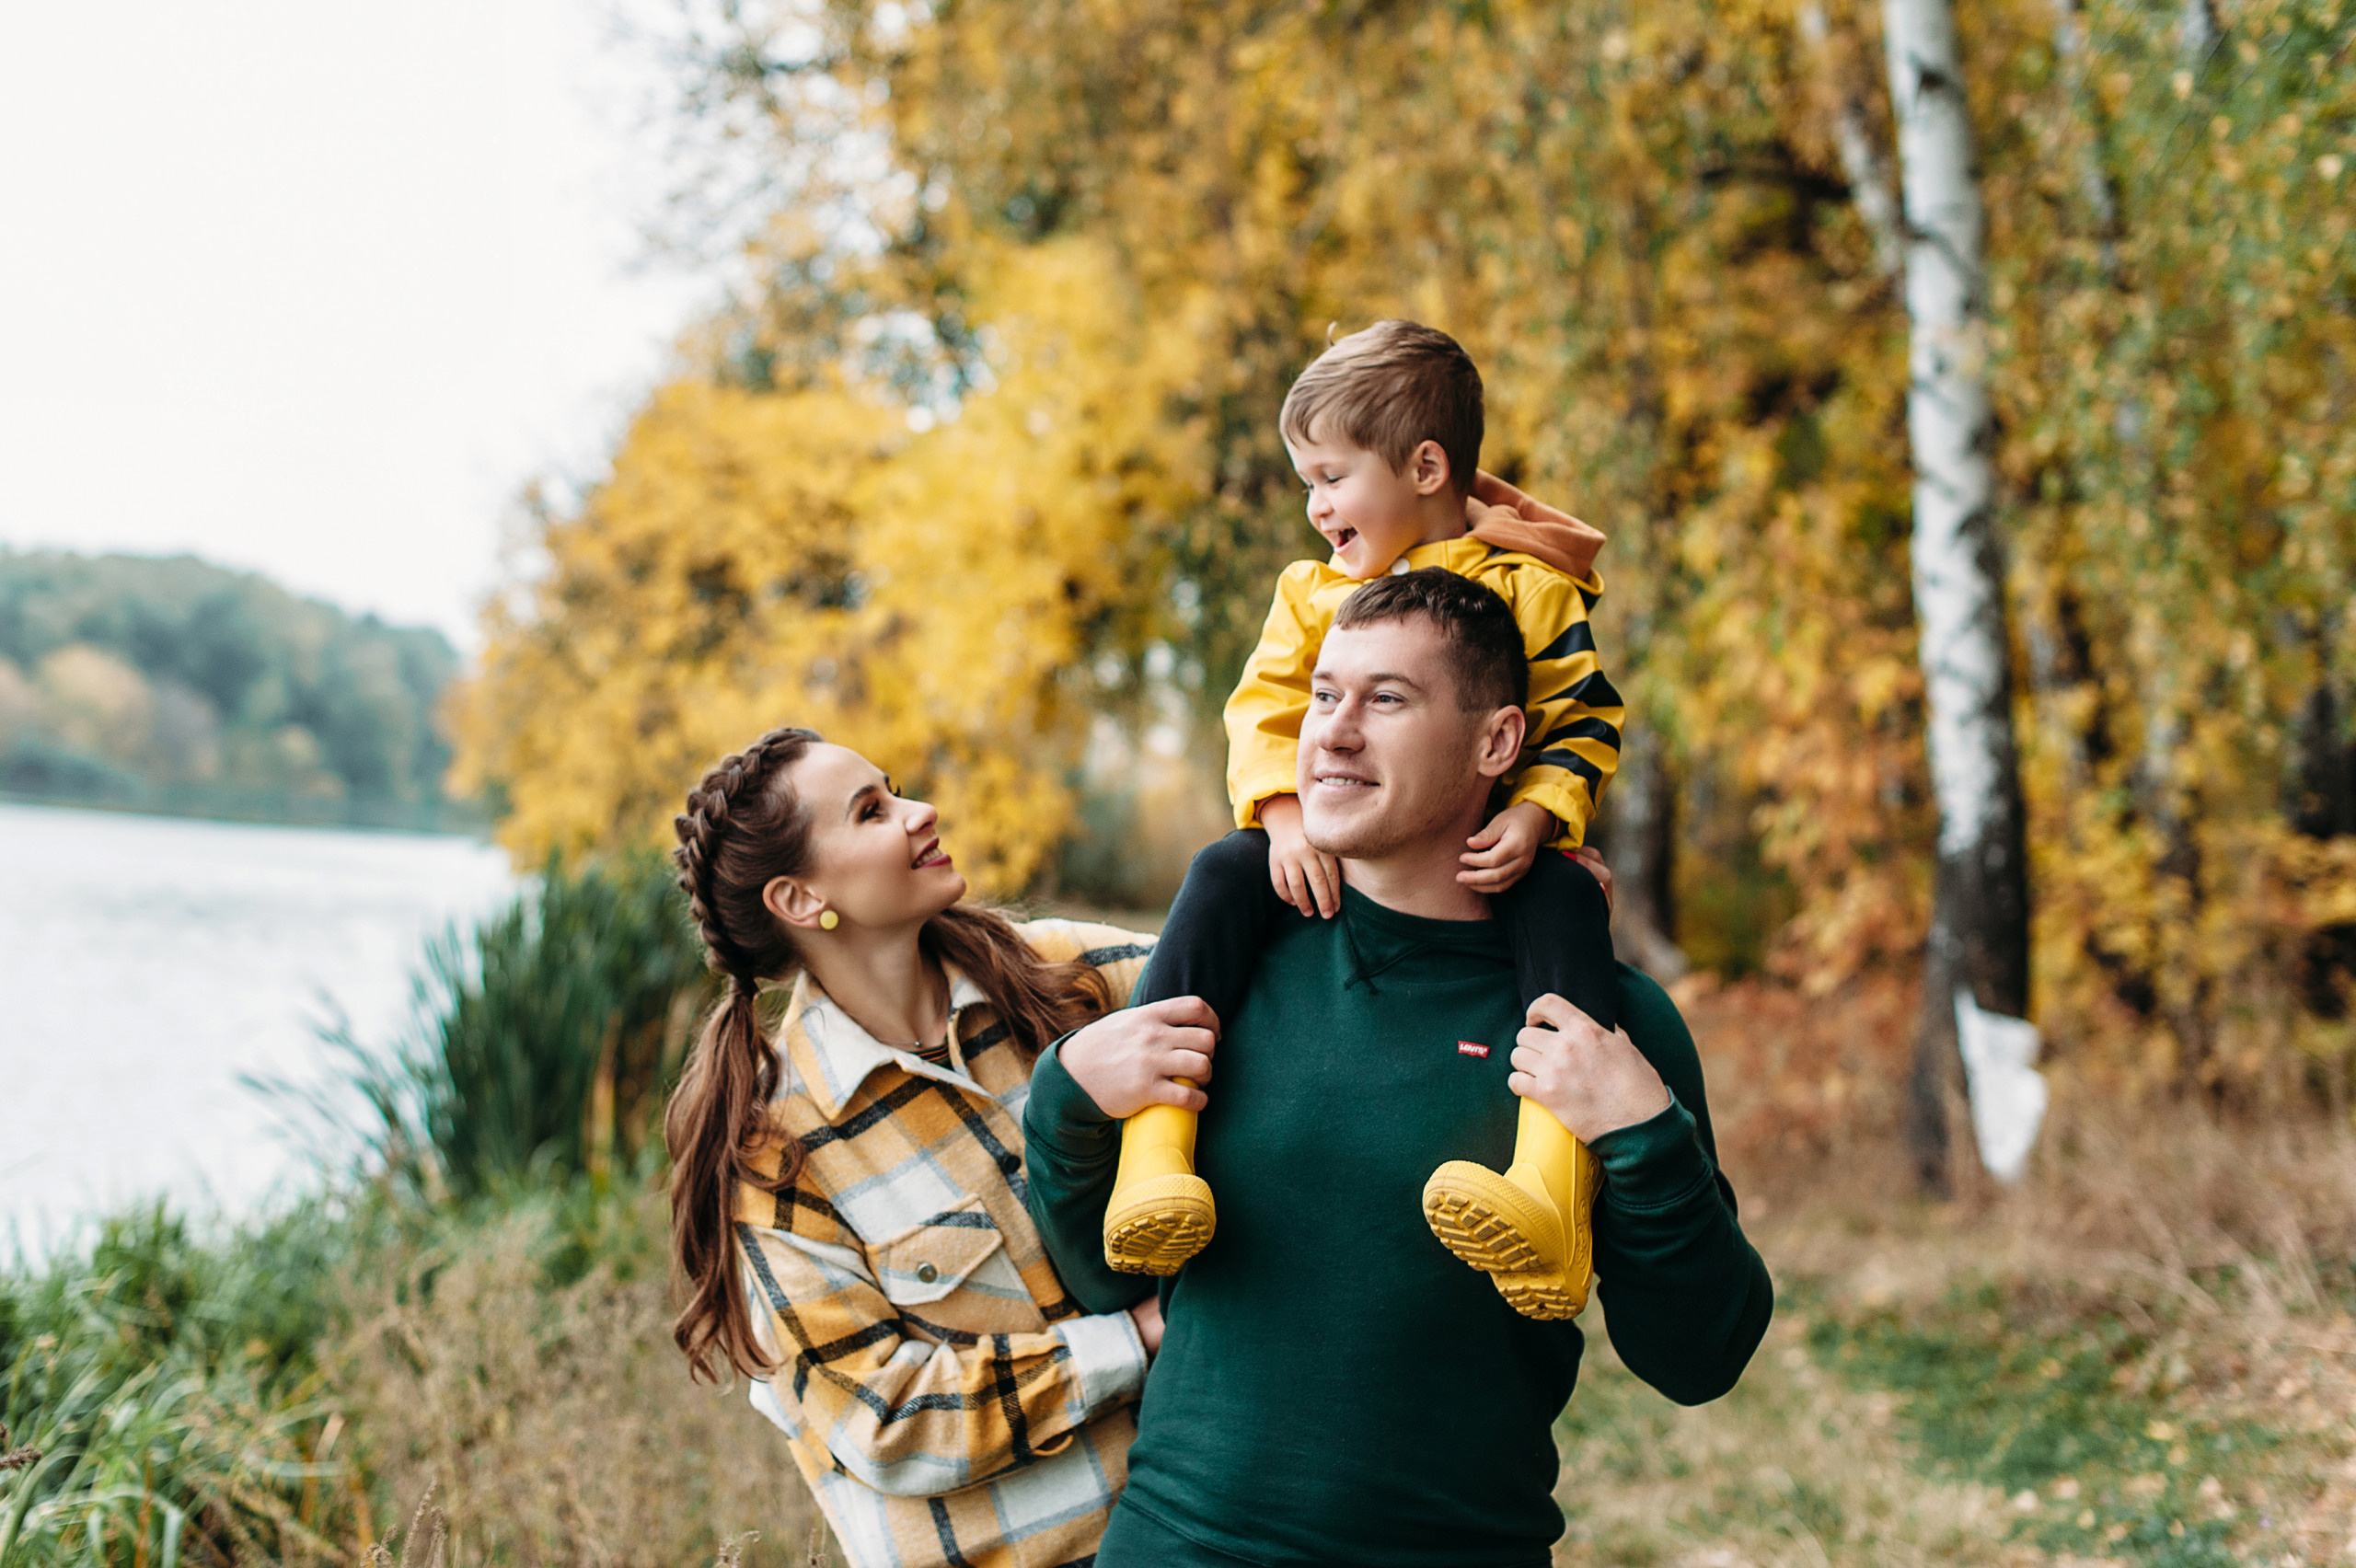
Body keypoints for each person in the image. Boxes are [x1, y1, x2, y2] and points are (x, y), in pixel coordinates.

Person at [1024, 571, 1773, 1568]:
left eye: (1386, 700)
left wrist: (1644, 1142)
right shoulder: (1228, 968)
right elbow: (1099, 1273)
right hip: (1178, 1546)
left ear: (1497, 743)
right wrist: (1064, 1103)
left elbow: (1700, 1359)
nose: (1333, 732)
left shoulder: (1604, 1026)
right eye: (1324, 694)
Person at [1106, 319, 1630, 1321]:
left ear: (1425, 467)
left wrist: (1539, 813)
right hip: (1325, 842)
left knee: (1564, 897)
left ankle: (1550, 1187)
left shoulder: (1531, 588)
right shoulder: (1313, 596)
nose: (1316, 507)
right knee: (1223, 870)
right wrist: (1282, 814)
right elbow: (1262, 709)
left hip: (1489, 853)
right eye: (1308, 481)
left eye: (1331, 478)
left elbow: (1581, 716)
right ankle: (1153, 1159)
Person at [663, 725, 1208, 1568]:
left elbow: (1265, 985)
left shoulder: (1063, 976)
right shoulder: (776, 1150)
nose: (923, 812)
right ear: (801, 901)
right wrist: (1132, 1341)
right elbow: (884, 1420)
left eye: (896, 788)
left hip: (1199, 1534)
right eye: (873, 811)